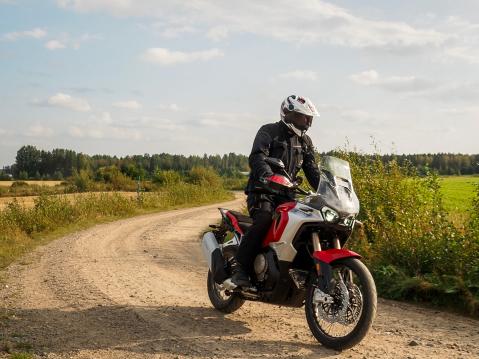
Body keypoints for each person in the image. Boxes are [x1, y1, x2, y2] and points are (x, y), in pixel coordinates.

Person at [231, 95, 321, 287]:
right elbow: (257, 157)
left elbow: (312, 170)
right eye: (303, 117)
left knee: (306, 225)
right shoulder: (269, 131)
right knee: (264, 219)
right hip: (262, 192)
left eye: (309, 118)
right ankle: (241, 269)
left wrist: (327, 188)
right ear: (288, 113)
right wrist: (267, 175)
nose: (307, 123)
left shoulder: (305, 141)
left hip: (287, 195)